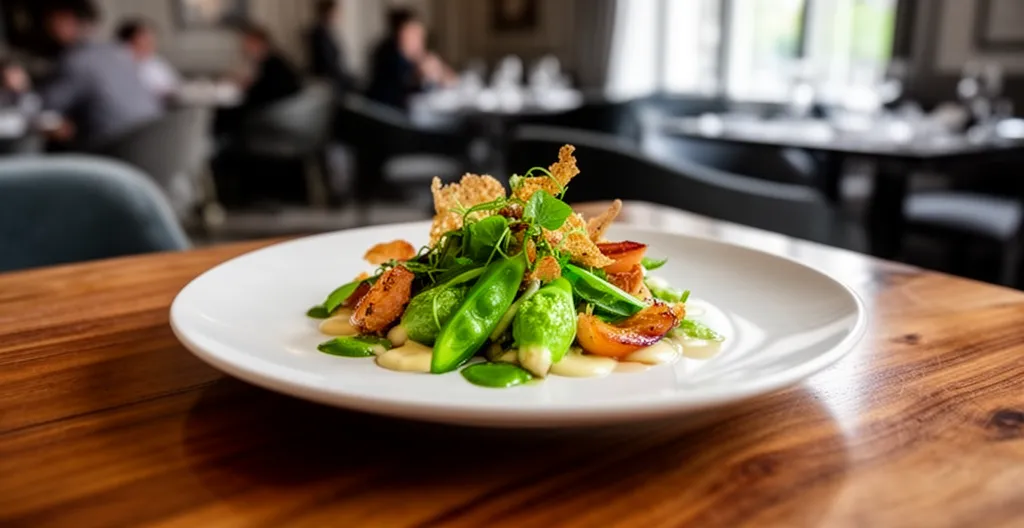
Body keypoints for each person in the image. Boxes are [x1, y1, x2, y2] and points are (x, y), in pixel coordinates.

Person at [39, 0, 163, 148]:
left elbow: (45, 111)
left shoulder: (76, 60)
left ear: (64, 19)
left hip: (115, 151)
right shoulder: (119, 52)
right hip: (156, 143)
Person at [366, 9, 455, 111]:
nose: (420, 42)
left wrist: (441, 72)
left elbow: (449, 79)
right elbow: (402, 83)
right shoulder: (388, 54)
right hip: (388, 112)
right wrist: (419, 74)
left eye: (421, 37)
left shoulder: (419, 56)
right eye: (415, 35)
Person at [236, 23, 301, 112]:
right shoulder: (272, 59)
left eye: (250, 43)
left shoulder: (272, 63)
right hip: (283, 103)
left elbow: (262, 93)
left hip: (281, 107)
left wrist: (247, 88)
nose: (245, 48)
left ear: (261, 43)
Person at [116, 18, 180, 99]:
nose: (150, 41)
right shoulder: (120, 65)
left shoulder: (155, 62)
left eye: (151, 38)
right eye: (144, 38)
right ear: (129, 41)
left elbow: (173, 87)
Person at [307, 0, 354, 96]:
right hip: (327, 77)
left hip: (333, 74)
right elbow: (326, 62)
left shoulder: (327, 32)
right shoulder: (319, 33)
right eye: (334, 12)